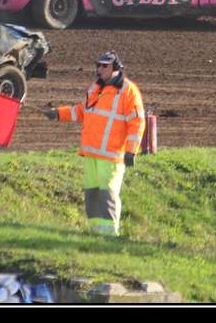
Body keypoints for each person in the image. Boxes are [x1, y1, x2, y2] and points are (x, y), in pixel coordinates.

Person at [43, 51, 145, 237]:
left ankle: (110, 234)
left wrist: (131, 151)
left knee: (108, 195)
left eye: (104, 66)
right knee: (92, 195)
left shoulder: (128, 91)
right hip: (91, 154)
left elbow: (137, 122)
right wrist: (57, 113)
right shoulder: (95, 88)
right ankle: (95, 232)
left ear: (116, 68)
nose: (100, 69)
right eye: (98, 65)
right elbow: (81, 112)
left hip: (111, 156)